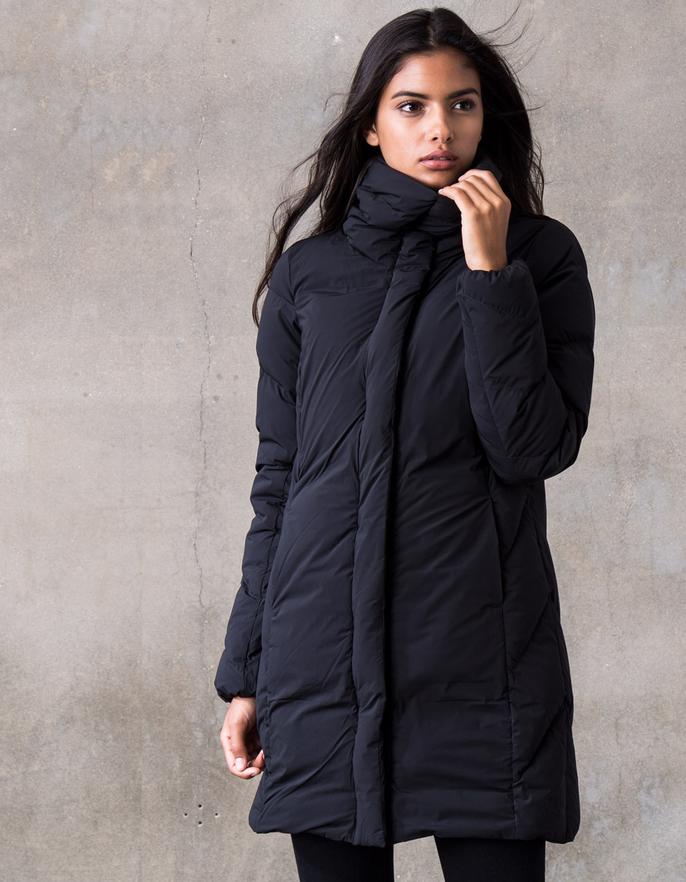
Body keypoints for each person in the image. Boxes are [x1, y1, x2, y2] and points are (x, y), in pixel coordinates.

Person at [215, 7, 596, 881]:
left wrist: (490, 273)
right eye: (412, 106)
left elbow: (533, 446)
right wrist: (248, 673)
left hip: (483, 664)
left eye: (462, 105)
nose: (440, 130)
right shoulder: (312, 275)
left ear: (486, 117)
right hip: (321, 666)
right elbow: (281, 481)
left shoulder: (540, 258)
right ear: (371, 124)